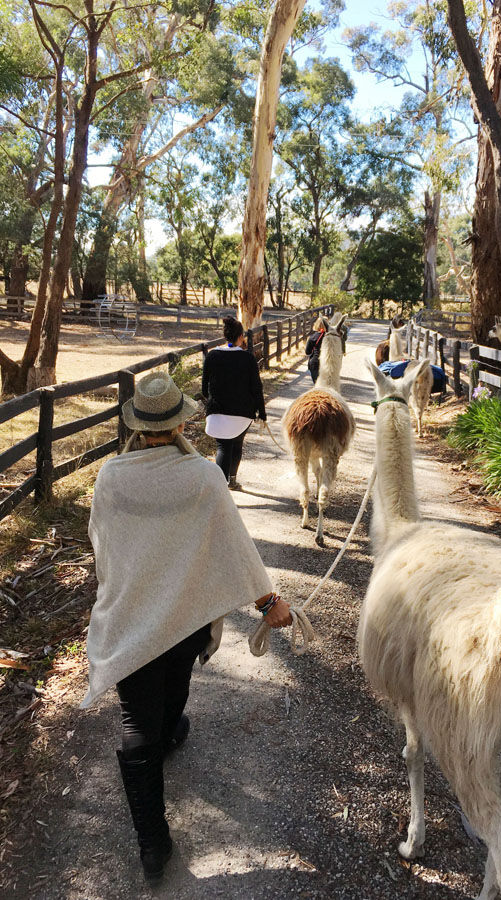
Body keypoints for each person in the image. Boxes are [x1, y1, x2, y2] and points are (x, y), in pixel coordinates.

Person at [80, 371, 291, 882]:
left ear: (138, 425)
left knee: (139, 725)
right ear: (180, 423)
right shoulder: (203, 477)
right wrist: (268, 603)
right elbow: (235, 545)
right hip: (184, 620)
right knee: (174, 686)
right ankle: (167, 732)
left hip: (131, 620)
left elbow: (102, 547)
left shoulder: (111, 477)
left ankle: (153, 846)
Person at [202, 316, 266, 490]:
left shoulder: (212, 356)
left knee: (223, 446)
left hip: (217, 413)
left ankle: (222, 487)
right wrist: (262, 412)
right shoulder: (248, 359)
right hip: (242, 415)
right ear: (240, 337)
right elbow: (256, 388)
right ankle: (230, 482)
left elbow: (204, 388)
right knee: (236, 444)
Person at [305, 316, 327, 383]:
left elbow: (307, 352)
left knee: (317, 385)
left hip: (315, 362)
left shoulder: (313, 337)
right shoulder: (330, 337)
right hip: (327, 363)